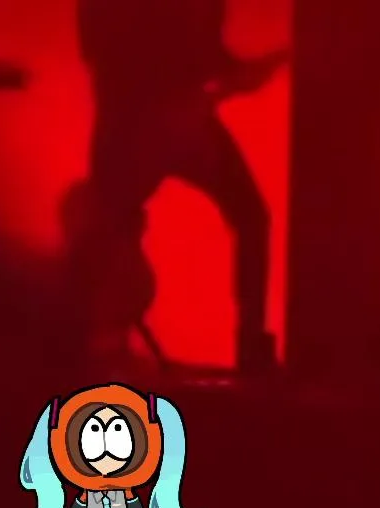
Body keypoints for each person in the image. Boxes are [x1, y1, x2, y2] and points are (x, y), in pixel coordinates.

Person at [71, 0, 286, 372]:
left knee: (110, 227)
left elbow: (102, 51)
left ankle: (95, 338)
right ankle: (250, 343)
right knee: (249, 218)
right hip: (148, 123)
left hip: (145, 123)